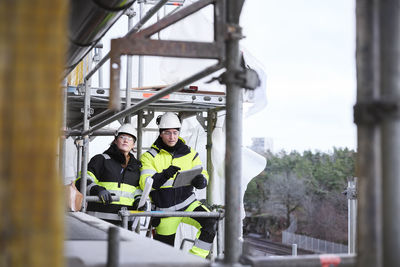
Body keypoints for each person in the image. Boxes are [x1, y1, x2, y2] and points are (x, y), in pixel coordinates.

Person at [140, 112, 217, 258]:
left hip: (188, 204)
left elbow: (203, 172)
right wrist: (163, 175)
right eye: (167, 133)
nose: (172, 137)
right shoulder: (149, 156)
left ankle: (193, 261)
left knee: (210, 222)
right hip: (165, 211)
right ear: (161, 134)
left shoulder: (190, 153)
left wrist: (202, 180)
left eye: (175, 132)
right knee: (164, 256)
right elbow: (145, 183)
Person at [75, 123, 145, 230]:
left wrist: (139, 200)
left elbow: (137, 190)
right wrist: (97, 190)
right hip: (99, 221)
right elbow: (82, 180)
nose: (126, 140)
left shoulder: (136, 166)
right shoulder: (101, 160)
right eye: (122, 137)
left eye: (130, 139)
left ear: (133, 145)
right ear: (115, 140)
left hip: (126, 222)